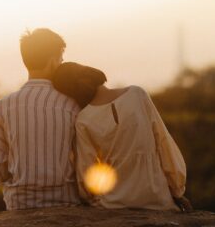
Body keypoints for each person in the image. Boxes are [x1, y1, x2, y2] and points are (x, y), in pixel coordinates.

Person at [52, 62, 193, 211]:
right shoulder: (137, 94)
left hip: (113, 204)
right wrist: (177, 191)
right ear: (90, 72)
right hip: (157, 199)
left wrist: (92, 198)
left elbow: (87, 174)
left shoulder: (83, 120)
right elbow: (164, 144)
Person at [0, 29, 81, 210]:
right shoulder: (72, 105)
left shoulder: (1, 107)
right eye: (61, 58)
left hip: (20, 204)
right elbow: (83, 161)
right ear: (53, 61)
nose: (61, 63)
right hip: (66, 203)